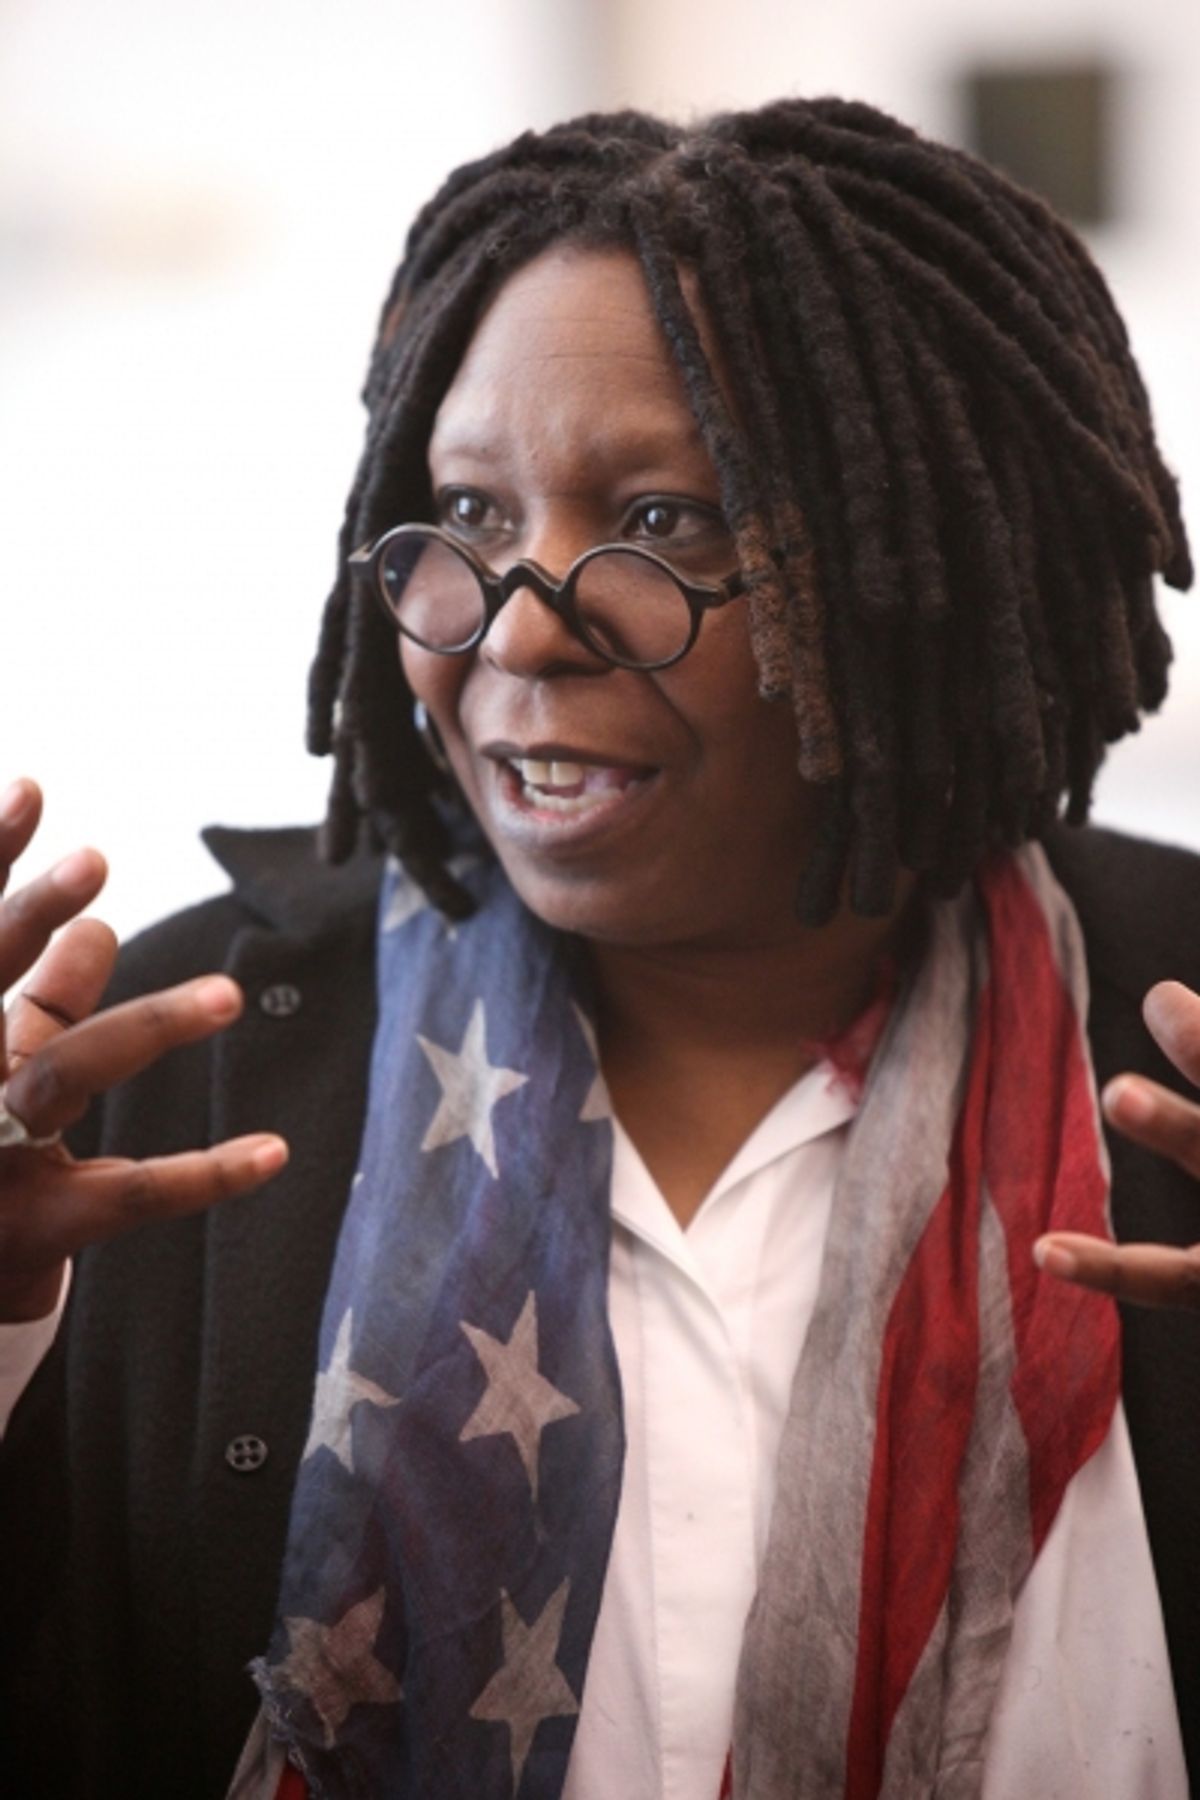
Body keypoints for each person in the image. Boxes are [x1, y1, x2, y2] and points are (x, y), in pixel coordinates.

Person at [1, 96, 1199, 1800]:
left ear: (911, 559)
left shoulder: (1174, 1037)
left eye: (662, 521)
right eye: (472, 514)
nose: (521, 621)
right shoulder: (155, 1077)